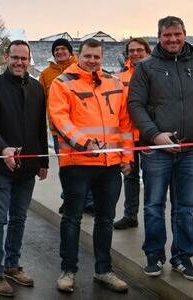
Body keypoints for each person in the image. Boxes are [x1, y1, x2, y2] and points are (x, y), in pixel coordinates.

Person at [48, 38, 134, 293]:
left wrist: (127, 158)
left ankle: (104, 270)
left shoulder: (114, 82)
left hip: (110, 165)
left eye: (97, 57)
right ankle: (68, 270)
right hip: (77, 163)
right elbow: (59, 119)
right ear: (79, 55)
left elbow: (125, 124)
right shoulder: (62, 83)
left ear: (102, 56)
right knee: (72, 219)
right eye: (88, 56)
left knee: (105, 219)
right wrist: (84, 143)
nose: (92, 61)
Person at [128, 16, 193, 280]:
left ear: (184, 34)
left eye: (177, 34)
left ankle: (183, 256)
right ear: (159, 36)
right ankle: (154, 255)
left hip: (189, 151)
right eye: (167, 35)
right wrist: (155, 135)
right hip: (156, 151)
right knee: (154, 205)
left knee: (186, 207)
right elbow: (135, 105)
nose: (173, 40)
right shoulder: (146, 67)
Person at [0, 40, 48, 297]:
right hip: (1, 167)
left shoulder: (36, 88)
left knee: (19, 219)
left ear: (29, 59)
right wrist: (3, 150)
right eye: (15, 57)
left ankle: (12, 264)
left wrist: (43, 161)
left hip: (28, 166)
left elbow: (39, 127)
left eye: (24, 58)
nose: (19, 62)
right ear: (6, 57)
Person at [40, 38, 95, 215]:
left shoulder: (81, 69)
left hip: (83, 130)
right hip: (59, 131)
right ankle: (69, 199)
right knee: (66, 168)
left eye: (63, 49)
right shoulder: (46, 74)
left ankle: (89, 201)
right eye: (56, 50)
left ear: (70, 51)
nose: (60, 52)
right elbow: (42, 101)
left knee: (88, 166)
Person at [113, 37, 151, 230]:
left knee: (152, 178)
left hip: (150, 135)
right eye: (131, 51)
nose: (135, 54)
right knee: (129, 176)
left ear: (147, 51)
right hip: (128, 135)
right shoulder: (119, 78)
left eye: (139, 50)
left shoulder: (155, 72)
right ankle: (130, 215)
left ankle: (152, 217)